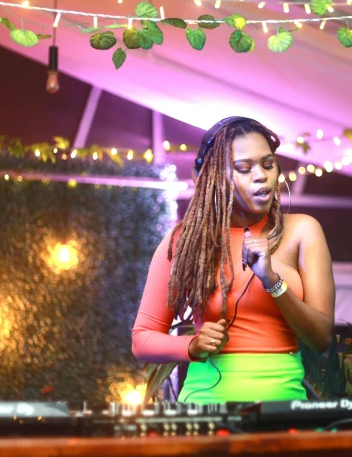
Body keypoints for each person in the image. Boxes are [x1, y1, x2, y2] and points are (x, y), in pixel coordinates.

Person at [131, 116, 335, 404]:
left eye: (268, 164)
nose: (261, 175)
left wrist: (272, 282)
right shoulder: (186, 242)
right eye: (244, 168)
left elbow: (321, 338)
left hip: (285, 411)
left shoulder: (302, 230)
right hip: (205, 408)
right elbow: (142, 339)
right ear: (212, 177)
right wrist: (192, 344)